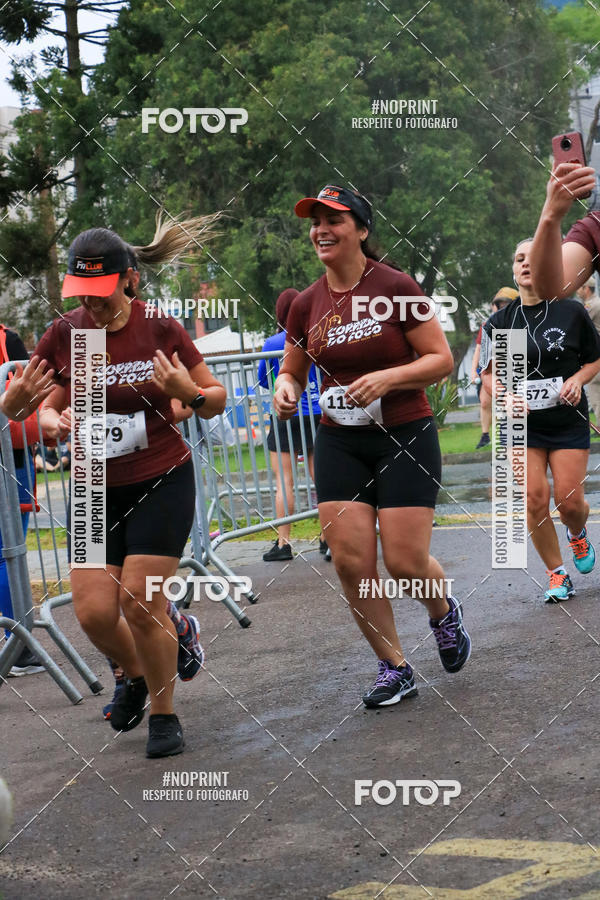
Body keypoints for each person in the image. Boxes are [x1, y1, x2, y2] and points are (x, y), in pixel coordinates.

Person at [33, 215, 227, 757]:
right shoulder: (67, 334)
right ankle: (139, 671)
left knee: (141, 603)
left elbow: (214, 398)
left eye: (101, 294)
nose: (91, 306)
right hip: (95, 486)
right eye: (82, 295)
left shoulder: (160, 328)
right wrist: (50, 421)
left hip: (159, 478)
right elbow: (44, 406)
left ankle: (163, 714)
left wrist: (187, 391)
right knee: (94, 612)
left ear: (129, 280)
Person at [274, 184, 471, 708]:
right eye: (315, 221)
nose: (321, 229)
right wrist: (287, 388)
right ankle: (394, 666)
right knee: (350, 562)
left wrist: (388, 379)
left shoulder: (396, 285)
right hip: (340, 442)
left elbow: (441, 359)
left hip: (404, 435)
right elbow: (292, 368)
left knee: (405, 561)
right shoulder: (305, 303)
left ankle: (443, 612)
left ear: (361, 229)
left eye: (334, 220)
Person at [480, 238, 600, 601]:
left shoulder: (570, 311)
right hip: (521, 424)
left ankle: (577, 533)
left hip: (566, 420)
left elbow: (594, 359)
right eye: (519, 259)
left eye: (534, 257)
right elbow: (488, 374)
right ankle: (556, 573)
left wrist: (577, 380)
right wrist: (505, 395)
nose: (527, 264)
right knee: (534, 498)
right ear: (513, 270)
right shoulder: (499, 322)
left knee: (569, 503)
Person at [257, 288, 325, 561]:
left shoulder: (272, 343)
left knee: (284, 481)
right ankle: (328, 537)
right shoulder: (317, 337)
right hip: (317, 414)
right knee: (321, 478)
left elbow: (264, 379)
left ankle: (283, 543)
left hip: (286, 413)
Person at [0, 325, 46, 676]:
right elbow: (34, 395)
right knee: (8, 552)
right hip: (9, 461)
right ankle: (16, 644)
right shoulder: (7, 339)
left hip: (12, 457)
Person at [470, 288, 518, 449]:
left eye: (507, 305)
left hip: (514, 374)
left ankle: (506, 443)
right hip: (490, 372)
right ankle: (486, 436)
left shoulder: (521, 323)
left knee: (508, 407)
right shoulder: (488, 325)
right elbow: (479, 348)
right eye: (500, 305)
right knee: (485, 402)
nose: (503, 309)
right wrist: (473, 371)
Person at [576, 276, 600, 429]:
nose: (577, 291)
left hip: (595, 358)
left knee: (597, 399)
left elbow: (578, 326)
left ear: (586, 288)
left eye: (579, 287)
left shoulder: (591, 306)